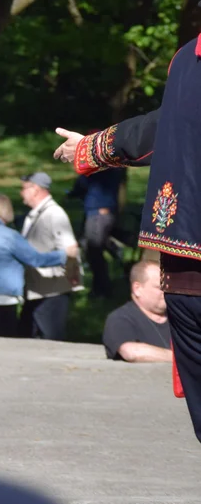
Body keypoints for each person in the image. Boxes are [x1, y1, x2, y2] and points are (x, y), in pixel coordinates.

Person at [51, 42, 201, 441]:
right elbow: (165, 125)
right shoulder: (186, 59)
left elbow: (162, 125)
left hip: (183, 259)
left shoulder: (187, 57)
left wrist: (91, 147)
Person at [0, 194, 76, 337]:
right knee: (4, 342)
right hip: (3, 298)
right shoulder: (11, 236)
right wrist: (63, 255)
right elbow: (35, 259)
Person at [18, 171, 80, 340]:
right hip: (37, 290)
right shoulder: (36, 214)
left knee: (51, 340)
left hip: (52, 292)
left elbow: (71, 249)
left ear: (35, 189)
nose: (21, 192)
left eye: (24, 188)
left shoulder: (54, 214)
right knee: (27, 336)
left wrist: (73, 273)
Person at [67, 161, 127, 298]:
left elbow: (81, 185)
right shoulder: (113, 166)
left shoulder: (96, 168)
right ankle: (101, 285)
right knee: (93, 248)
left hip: (98, 214)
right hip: (104, 212)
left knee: (93, 251)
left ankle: (102, 289)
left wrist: (73, 193)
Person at [103, 260, 172, 362]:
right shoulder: (120, 318)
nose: (167, 292)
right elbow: (132, 352)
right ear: (137, 289)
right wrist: (184, 359)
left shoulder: (181, 317)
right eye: (160, 287)